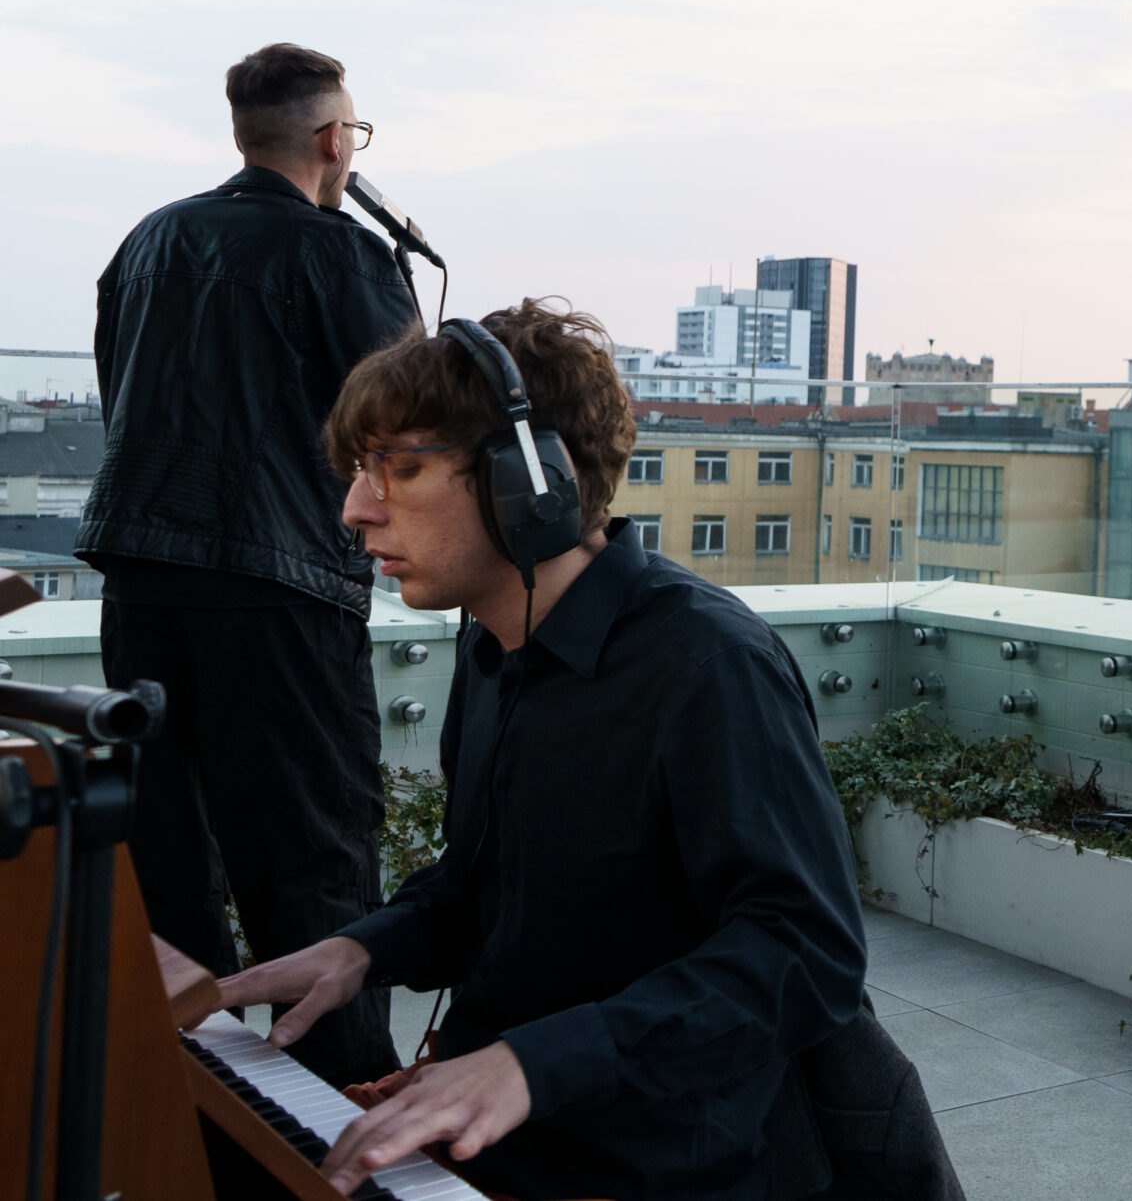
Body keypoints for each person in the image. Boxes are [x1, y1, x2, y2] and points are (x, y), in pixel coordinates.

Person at [220, 300, 875, 1201]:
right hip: (512, 1136)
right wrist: (361, 953)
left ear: (532, 487)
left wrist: (527, 1065)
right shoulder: (490, 642)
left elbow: (807, 951)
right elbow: (484, 881)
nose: (355, 509)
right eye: (361, 470)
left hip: (656, 1166)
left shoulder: (709, 666)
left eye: (400, 468)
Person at [80, 41, 416, 1086]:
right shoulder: (344, 252)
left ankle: (197, 1111)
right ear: (332, 141)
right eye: (352, 133)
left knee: (166, 868)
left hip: (140, 586)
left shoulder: (148, 241)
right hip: (280, 596)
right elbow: (404, 424)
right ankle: (341, 1126)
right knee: (312, 869)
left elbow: (119, 398)